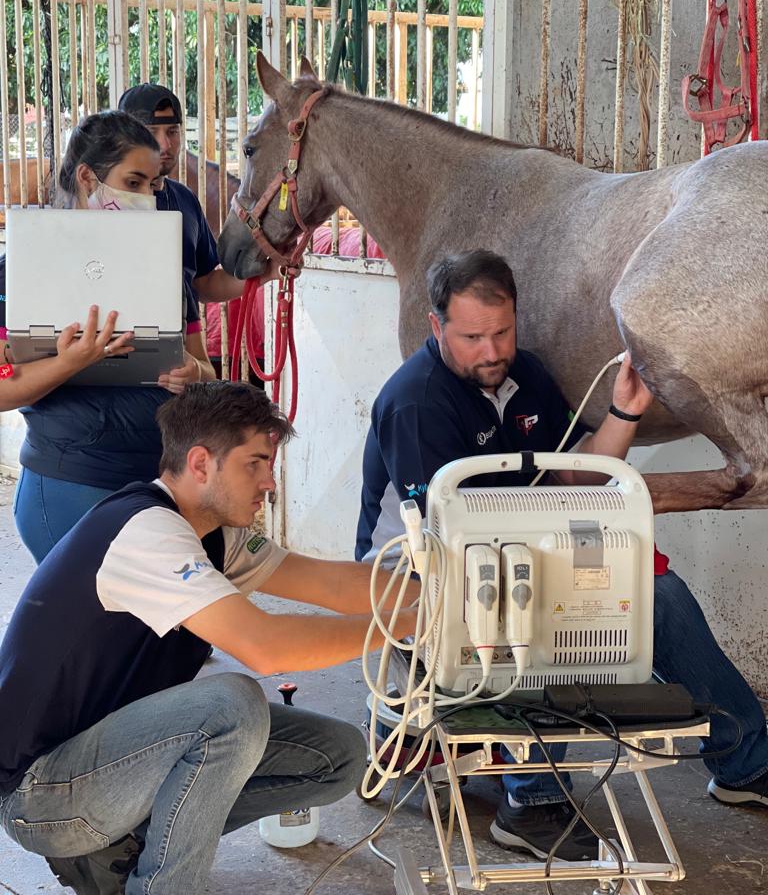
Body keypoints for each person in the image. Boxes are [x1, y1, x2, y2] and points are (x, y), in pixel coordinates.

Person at [357, 249, 768, 860]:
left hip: (529, 539)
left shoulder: (526, 374)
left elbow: (579, 479)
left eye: (502, 332)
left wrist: (626, 410)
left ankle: (746, 759)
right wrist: (568, 578)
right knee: (532, 609)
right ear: (435, 324)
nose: (492, 351)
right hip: (422, 567)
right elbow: (451, 538)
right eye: (472, 337)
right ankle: (534, 803)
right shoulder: (417, 401)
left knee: (658, 592)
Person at [0, 381, 417, 894]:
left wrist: (440, 593)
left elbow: (330, 583)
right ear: (201, 464)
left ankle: (123, 849)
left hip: (114, 759)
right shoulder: (146, 532)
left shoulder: (217, 534)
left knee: (339, 755)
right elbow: (266, 648)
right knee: (231, 705)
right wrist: (405, 623)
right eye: (255, 464)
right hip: (44, 794)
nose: (270, 483)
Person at [2, 111, 217, 564]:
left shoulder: (163, 268)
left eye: (154, 187)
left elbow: (207, 372)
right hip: (71, 484)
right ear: (88, 177)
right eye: (134, 182)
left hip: (160, 484)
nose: (148, 198)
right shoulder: (25, 267)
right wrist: (70, 362)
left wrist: (191, 372)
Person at [117, 83, 245, 332]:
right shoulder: (101, 200)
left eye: (172, 131)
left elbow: (202, 284)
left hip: (177, 346)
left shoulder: (185, 198)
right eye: (151, 131)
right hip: (107, 346)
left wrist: (265, 274)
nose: (165, 145)